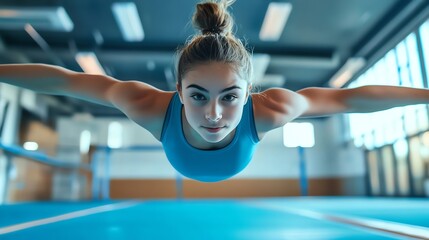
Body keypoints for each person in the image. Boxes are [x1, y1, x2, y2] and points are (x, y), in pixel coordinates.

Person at [0, 0, 428, 182]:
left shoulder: (272, 109)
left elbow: (349, 99)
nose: (215, 115)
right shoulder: (149, 106)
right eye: (198, 95)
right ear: (179, 90)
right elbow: (65, 80)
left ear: (249, 92)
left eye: (230, 97)